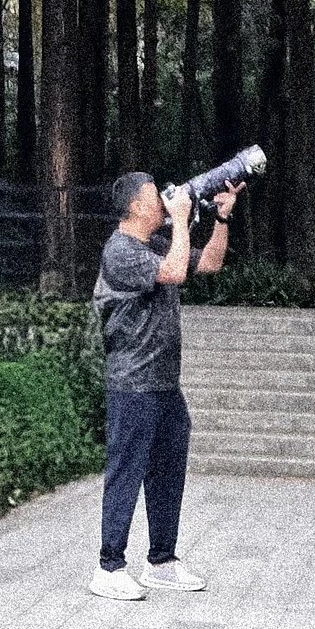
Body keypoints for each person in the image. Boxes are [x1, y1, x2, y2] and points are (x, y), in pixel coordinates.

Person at [89, 168, 238, 600]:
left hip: (165, 384)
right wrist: (182, 217)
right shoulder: (120, 251)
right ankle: (109, 566)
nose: (164, 202)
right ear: (135, 206)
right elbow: (175, 272)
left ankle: (162, 561)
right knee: (126, 471)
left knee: (167, 472)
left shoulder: (156, 243)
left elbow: (208, 263)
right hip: (132, 384)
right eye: (156, 198)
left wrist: (220, 219)